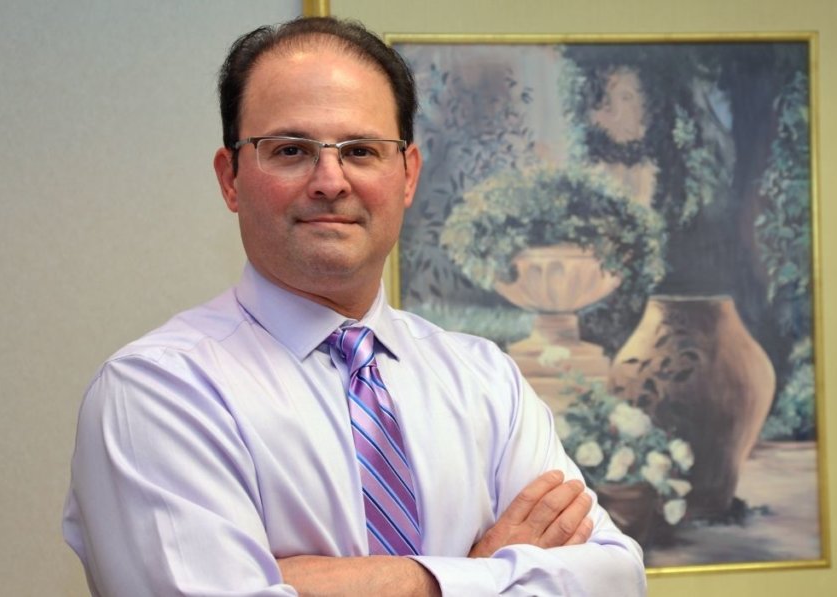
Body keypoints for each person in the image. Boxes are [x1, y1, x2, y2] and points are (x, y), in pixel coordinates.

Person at [62, 16, 646, 597]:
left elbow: (616, 579)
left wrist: (399, 582)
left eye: (361, 150)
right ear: (230, 178)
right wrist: (483, 573)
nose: (330, 181)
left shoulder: (487, 381)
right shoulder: (157, 392)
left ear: (408, 175)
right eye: (291, 150)